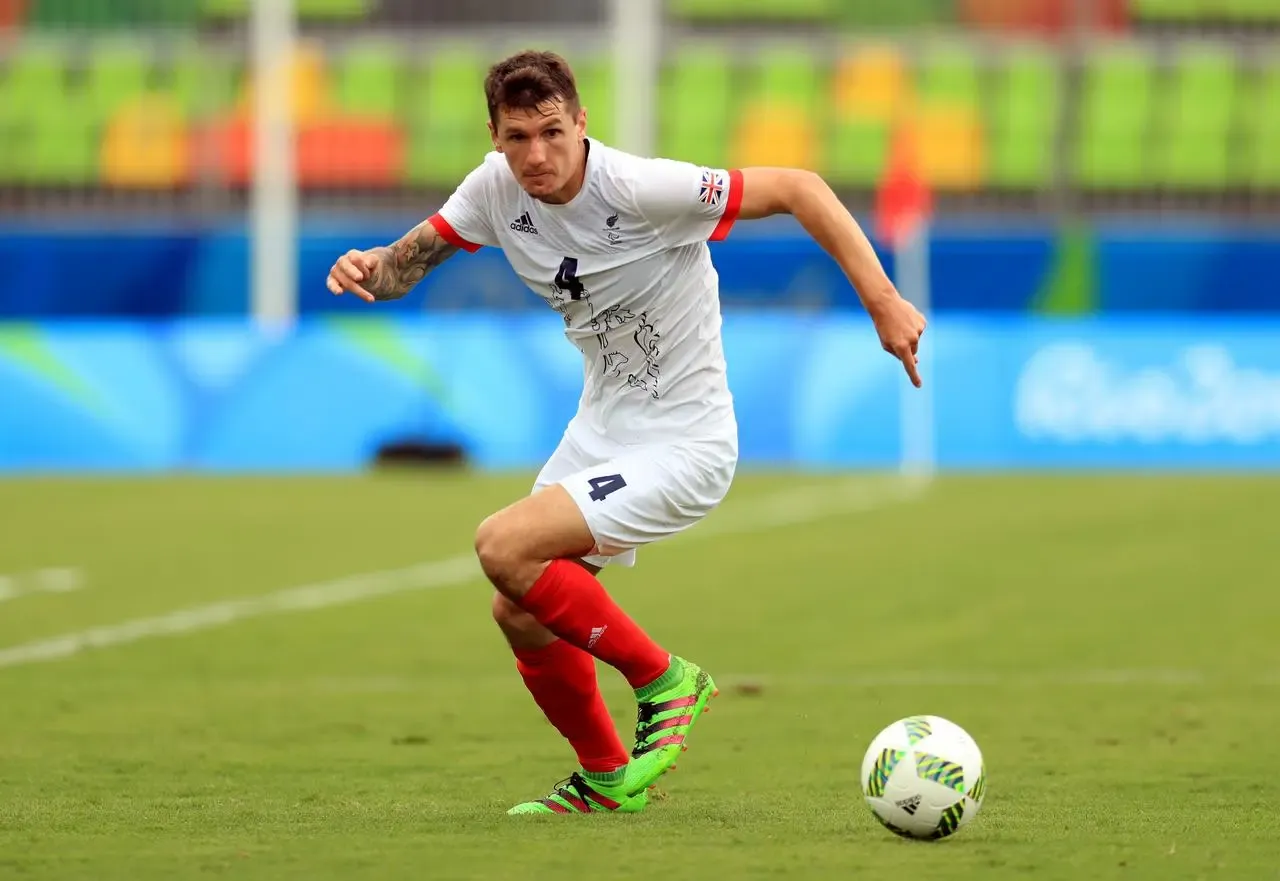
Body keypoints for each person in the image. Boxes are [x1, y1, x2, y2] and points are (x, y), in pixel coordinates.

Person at [326, 49, 926, 816]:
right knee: (517, 607)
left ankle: (665, 681)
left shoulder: (640, 189)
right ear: (495, 136)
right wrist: (368, 268)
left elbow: (801, 188)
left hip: (686, 441)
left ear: (581, 122)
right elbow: (405, 269)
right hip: (603, 429)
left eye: (551, 132)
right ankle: (606, 775)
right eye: (517, 138)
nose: (536, 154)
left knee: (502, 544)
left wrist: (882, 302)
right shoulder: (492, 190)